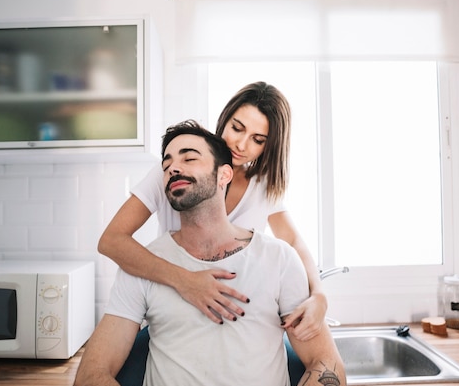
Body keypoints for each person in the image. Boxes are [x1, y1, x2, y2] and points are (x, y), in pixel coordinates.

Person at [72, 121, 345, 386]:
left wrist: (320, 294)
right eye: (166, 167)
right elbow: (91, 377)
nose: (174, 168)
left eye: (189, 158)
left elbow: (326, 363)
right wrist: (184, 280)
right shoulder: (141, 266)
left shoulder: (279, 259)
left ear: (224, 174)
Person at [98, 82, 326, 338]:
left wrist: (318, 294)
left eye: (257, 139)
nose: (240, 144)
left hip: (234, 320)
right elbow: (111, 241)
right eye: (236, 128)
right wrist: (185, 281)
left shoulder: (263, 187)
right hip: (174, 314)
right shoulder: (178, 170)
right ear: (225, 119)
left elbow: (293, 241)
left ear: (269, 146)